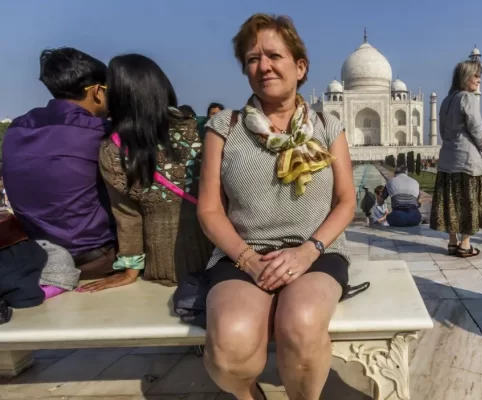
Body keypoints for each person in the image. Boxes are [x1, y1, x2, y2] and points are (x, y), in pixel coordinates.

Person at [197, 14, 354, 400]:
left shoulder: (327, 126)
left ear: (299, 67)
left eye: (274, 55)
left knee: (300, 325)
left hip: (316, 252)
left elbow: (346, 200)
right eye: (252, 59)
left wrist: (307, 251)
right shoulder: (225, 127)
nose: (263, 66)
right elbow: (210, 210)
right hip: (242, 255)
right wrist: (248, 259)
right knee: (230, 347)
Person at [77, 54, 212, 293]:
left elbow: (128, 216)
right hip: (220, 258)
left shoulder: (114, 149)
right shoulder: (205, 130)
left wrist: (129, 271)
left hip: (165, 266)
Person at [1, 47, 117, 279]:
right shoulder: (101, 131)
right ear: (97, 91)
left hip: (42, 257)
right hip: (97, 259)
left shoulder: (16, 129)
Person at [430, 59, 482, 257]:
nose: (479, 80)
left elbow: (442, 131)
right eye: (476, 76)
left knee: (451, 202)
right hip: (467, 160)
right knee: (468, 203)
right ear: (465, 77)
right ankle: (465, 245)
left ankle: (452, 242)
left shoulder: (447, 100)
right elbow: (477, 128)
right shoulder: (467, 98)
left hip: (448, 159)